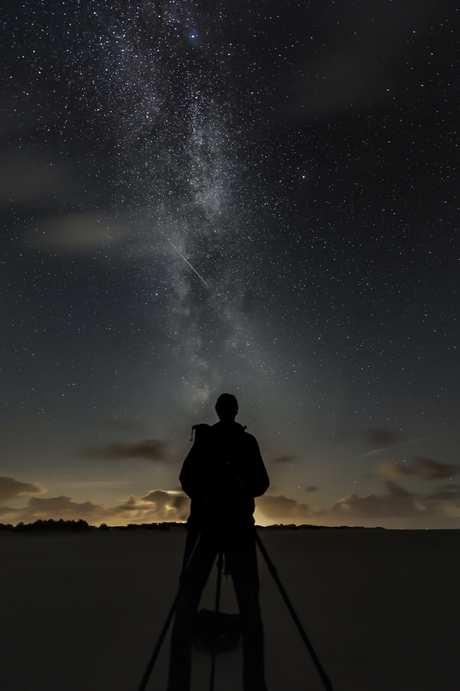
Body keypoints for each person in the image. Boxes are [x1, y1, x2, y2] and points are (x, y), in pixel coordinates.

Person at [167, 393, 270, 691]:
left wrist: (241, 485)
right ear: (230, 411)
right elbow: (188, 478)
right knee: (243, 611)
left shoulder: (240, 442)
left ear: (229, 411)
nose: (227, 412)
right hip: (213, 529)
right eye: (226, 409)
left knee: (191, 608)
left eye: (228, 409)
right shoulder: (216, 440)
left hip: (227, 529)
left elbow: (260, 482)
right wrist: (209, 495)